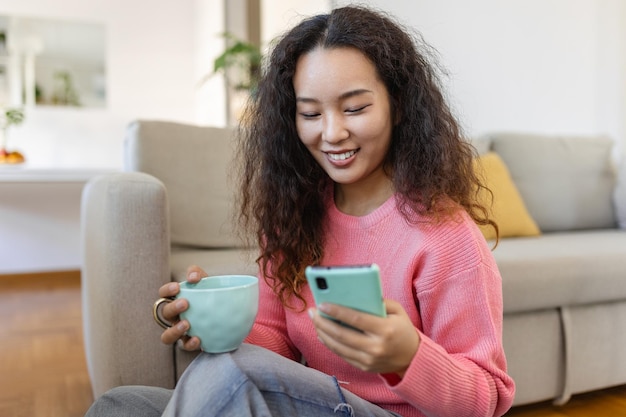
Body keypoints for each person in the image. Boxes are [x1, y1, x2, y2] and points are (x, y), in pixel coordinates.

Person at [85, 5, 515, 417]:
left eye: (355, 108)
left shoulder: (445, 237)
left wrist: (408, 356)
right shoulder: (299, 216)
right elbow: (275, 345)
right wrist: (211, 320)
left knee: (233, 378)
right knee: (119, 406)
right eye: (310, 113)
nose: (332, 132)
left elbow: (486, 399)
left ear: (398, 105)